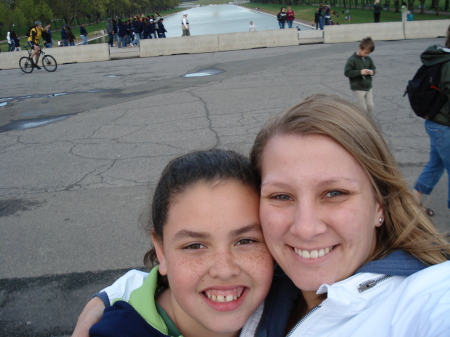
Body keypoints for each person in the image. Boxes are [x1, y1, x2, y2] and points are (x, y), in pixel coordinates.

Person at [73, 95, 450, 337]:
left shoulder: (424, 300)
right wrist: (110, 299)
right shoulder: (279, 279)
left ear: (379, 205)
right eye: (281, 196)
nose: (305, 227)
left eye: (334, 193)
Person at [73, 149, 274, 337]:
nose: (224, 270)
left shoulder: (292, 302)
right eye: (194, 246)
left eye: (246, 241)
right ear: (161, 251)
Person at [413, 25, 450, 216]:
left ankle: (413, 204)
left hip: (435, 123)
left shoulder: (439, 57)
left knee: (435, 165)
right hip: (445, 127)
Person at [344, 36, 376, 113]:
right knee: (362, 109)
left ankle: (366, 120)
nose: (367, 55)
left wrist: (372, 72)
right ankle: (363, 122)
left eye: (368, 53)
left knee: (370, 106)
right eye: (365, 53)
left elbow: (373, 68)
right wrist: (360, 72)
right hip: (358, 87)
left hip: (368, 87)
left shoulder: (368, 59)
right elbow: (347, 72)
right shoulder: (352, 59)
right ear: (360, 48)